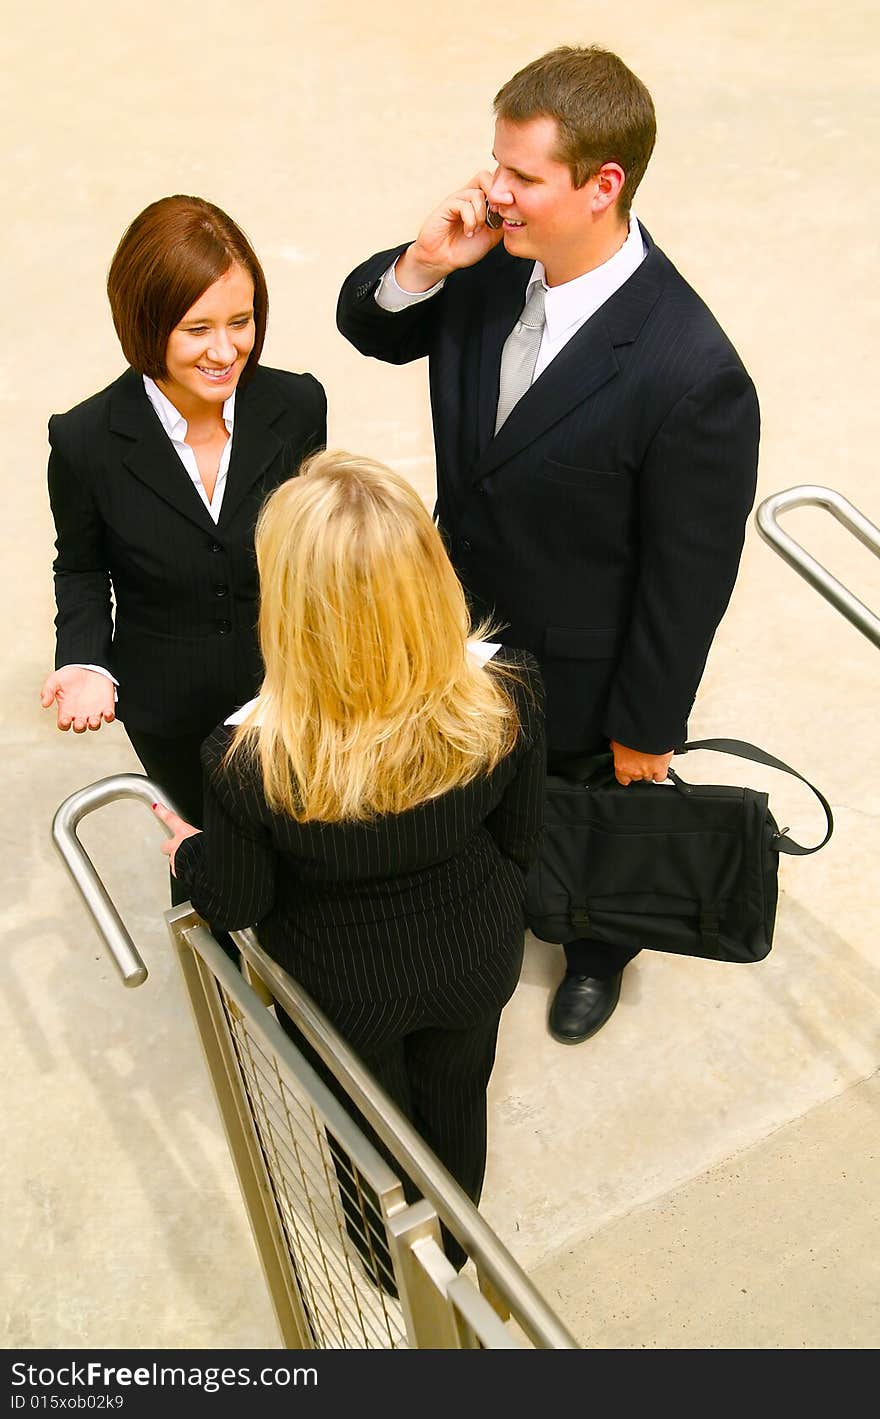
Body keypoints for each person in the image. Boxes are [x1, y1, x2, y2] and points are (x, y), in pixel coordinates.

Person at [336, 44, 760, 1046]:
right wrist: (425, 262)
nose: (494, 191)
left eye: (521, 176)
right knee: (468, 793)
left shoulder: (689, 373)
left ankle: (598, 947)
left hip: (577, 669)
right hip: (455, 623)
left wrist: (646, 729)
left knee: (581, 816)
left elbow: (684, 579)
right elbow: (375, 327)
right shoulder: (488, 273)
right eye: (495, 162)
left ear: (602, 184)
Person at [152, 449, 545, 1273]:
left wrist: (189, 853)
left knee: (366, 1135)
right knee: (457, 1098)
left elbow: (240, 901)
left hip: (340, 988)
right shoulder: (507, 687)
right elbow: (521, 839)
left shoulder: (246, 757)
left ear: (293, 606)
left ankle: (387, 1268)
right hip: (477, 953)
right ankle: (456, 1261)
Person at [41, 194, 327, 889]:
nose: (226, 350)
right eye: (197, 329)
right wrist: (84, 659)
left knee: (309, 848)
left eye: (241, 320)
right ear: (144, 324)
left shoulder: (297, 406)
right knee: (204, 855)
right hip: (171, 710)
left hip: (293, 690)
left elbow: (317, 544)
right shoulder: (84, 440)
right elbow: (80, 567)